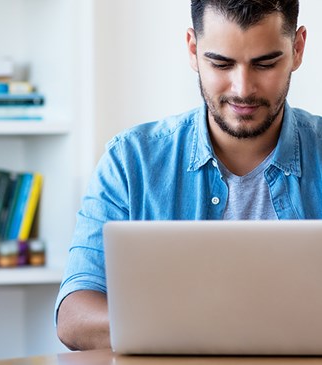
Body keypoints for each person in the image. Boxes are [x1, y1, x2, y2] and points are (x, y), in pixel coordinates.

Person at [55, 0, 322, 351]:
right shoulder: (130, 160)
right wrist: (211, 328)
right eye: (221, 63)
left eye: (265, 63)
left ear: (297, 49)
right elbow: (73, 318)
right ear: (193, 50)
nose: (242, 88)